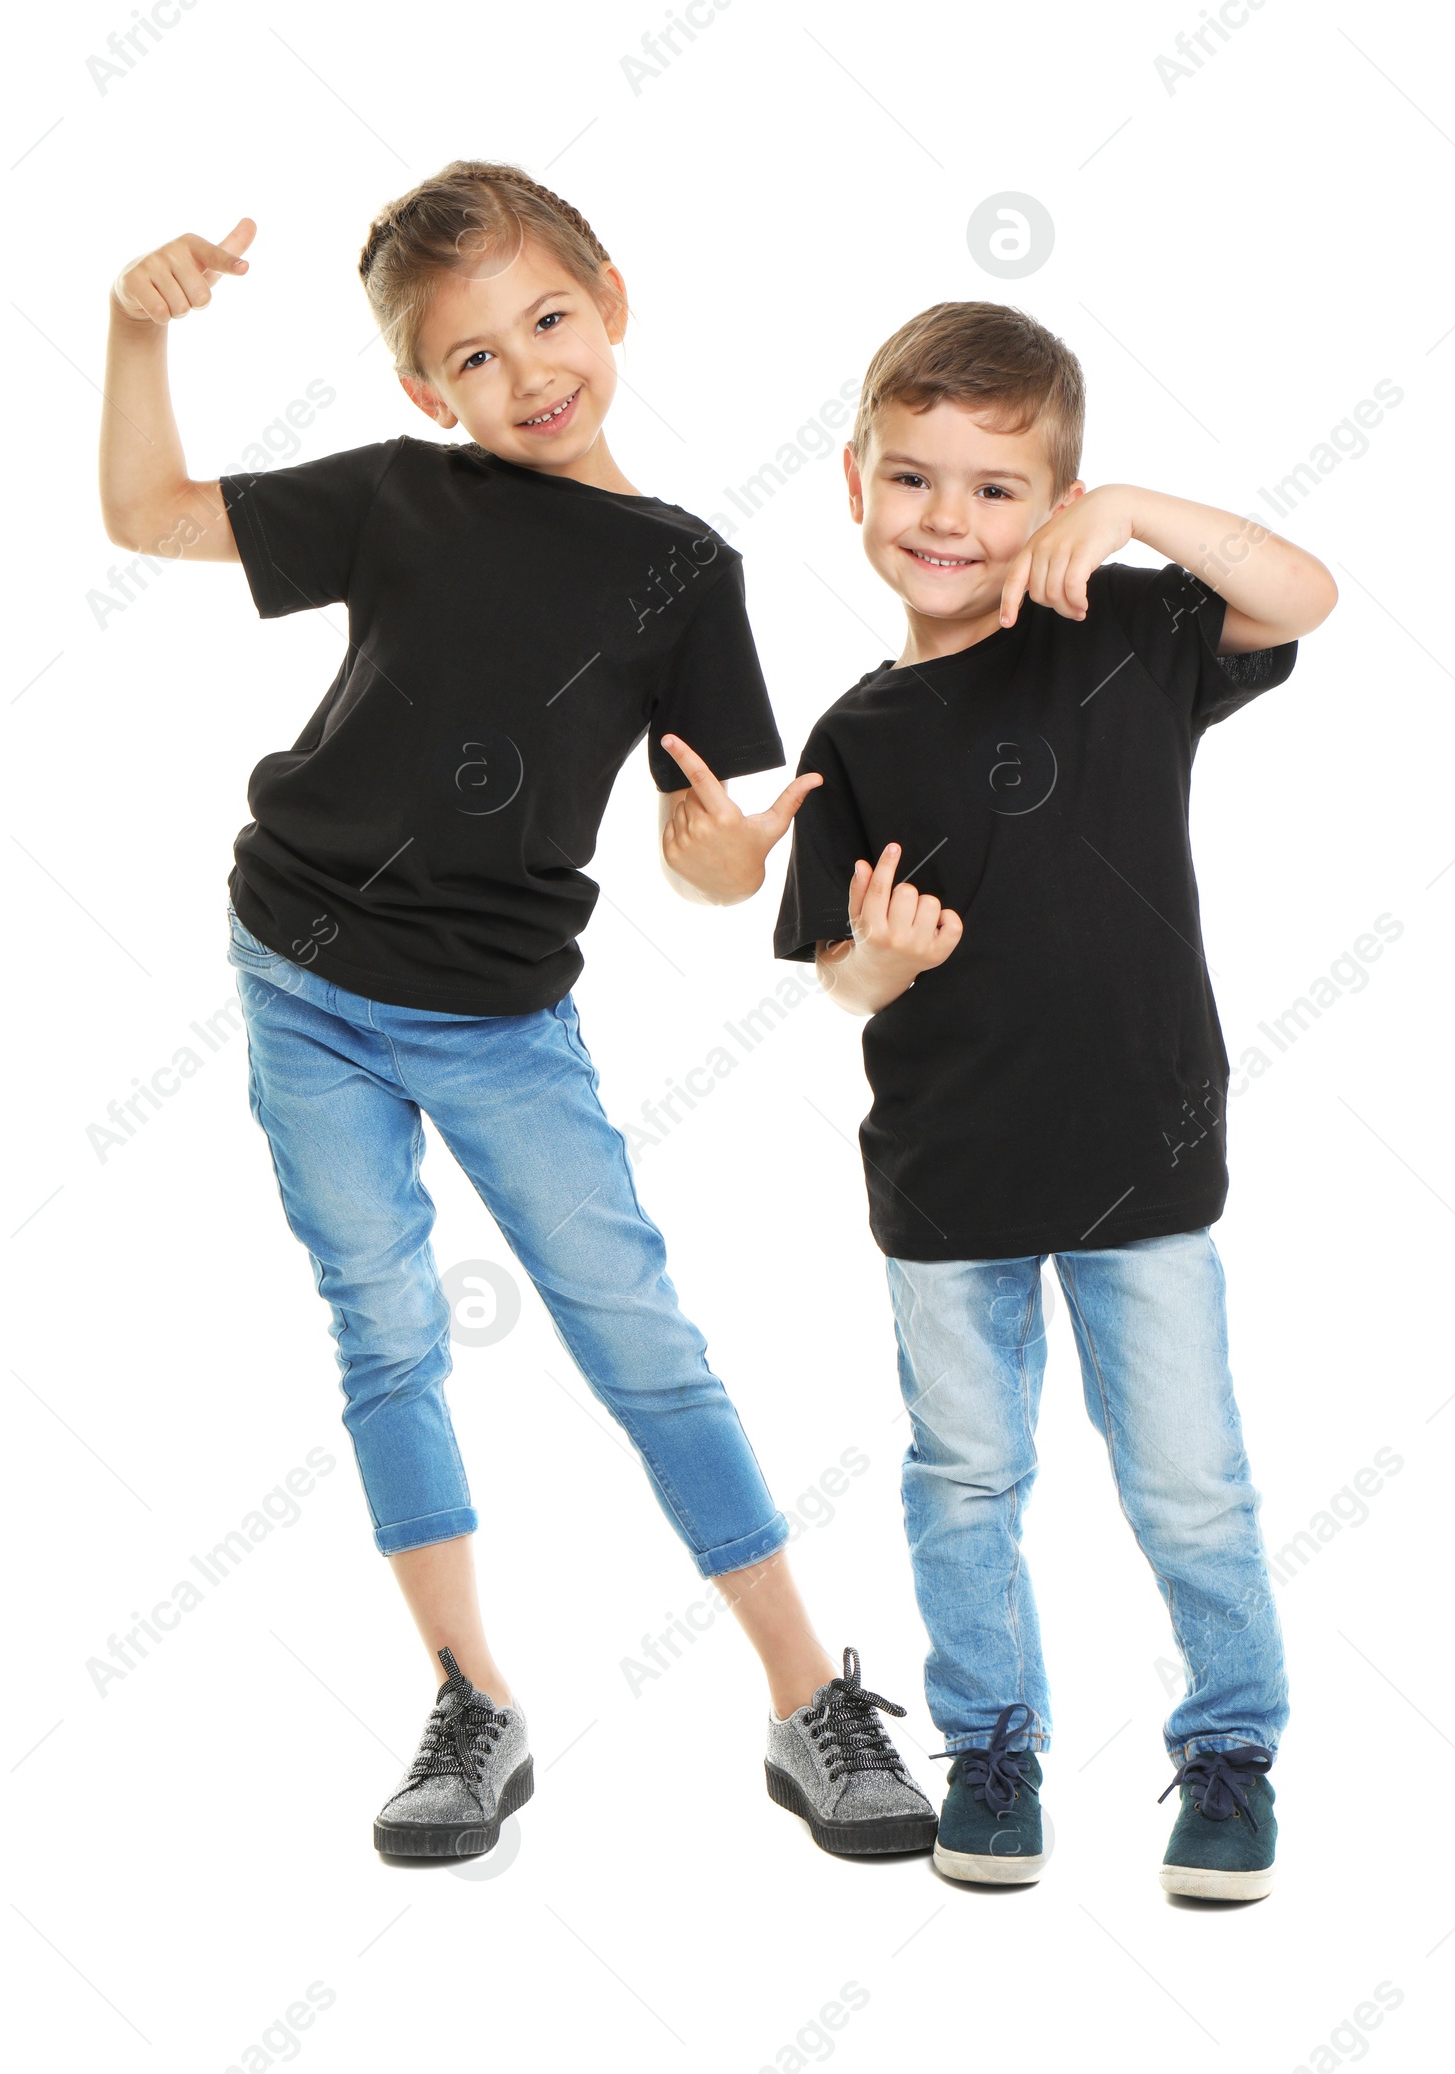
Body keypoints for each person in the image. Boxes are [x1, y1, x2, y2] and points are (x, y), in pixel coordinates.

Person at [97, 159, 935, 1863]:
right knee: (383, 1327)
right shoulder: (401, 496)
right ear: (424, 388)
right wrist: (132, 325)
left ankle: (803, 1700)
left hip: (496, 1017)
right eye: (472, 356)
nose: (526, 370)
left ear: (611, 300)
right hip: (300, 974)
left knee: (639, 1341)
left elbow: (708, 856)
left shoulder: (686, 570)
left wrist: (709, 859)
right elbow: (147, 515)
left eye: (548, 319)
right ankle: (471, 1695)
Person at [774, 299, 1338, 1898]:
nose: (948, 518)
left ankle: (1229, 1753)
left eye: (996, 486)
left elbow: (1307, 594)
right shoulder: (857, 734)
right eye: (914, 479)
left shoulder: (1130, 639)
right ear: (856, 482)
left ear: (1056, 501)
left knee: (1185, 1474)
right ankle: (993, 1747)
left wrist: (1142, 512)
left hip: (1143, 1160)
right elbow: (832, 972)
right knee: (965, 1475)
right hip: (949, 1178)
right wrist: (880, 961)